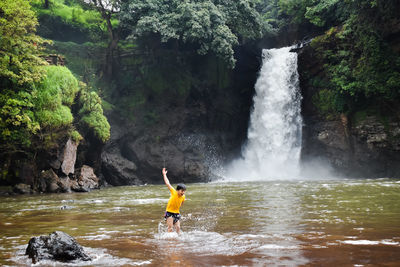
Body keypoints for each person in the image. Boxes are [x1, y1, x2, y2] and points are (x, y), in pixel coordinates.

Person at [162, 167, 186, 234]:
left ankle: (178, 240)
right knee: (170, 227)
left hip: (176, 213)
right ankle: (170, 241)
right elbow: (167, 183)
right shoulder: (174, 192)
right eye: (182, 191)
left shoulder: (183, 197)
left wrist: (176, 209)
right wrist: (164, 174)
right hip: (169, 212)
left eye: (184, 191)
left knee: (178, 228)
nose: (183, 192)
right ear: (177, 190)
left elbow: (181, 204)